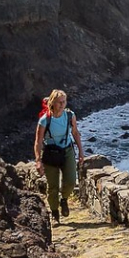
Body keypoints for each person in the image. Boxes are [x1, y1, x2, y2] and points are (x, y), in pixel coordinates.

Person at [34, 89, 85, 223]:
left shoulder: (69, 115)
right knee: (53, 186)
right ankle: (55, 211)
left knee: (71, 181)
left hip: (67, 150)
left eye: (64, 101)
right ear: (53, 102)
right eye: (59, 102)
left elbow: (75, 133)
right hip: (51, 153)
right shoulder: (45, 120)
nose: (62, 104)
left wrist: (81, 151)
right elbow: (38, 142)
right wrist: (38, 160)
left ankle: (64, 199)